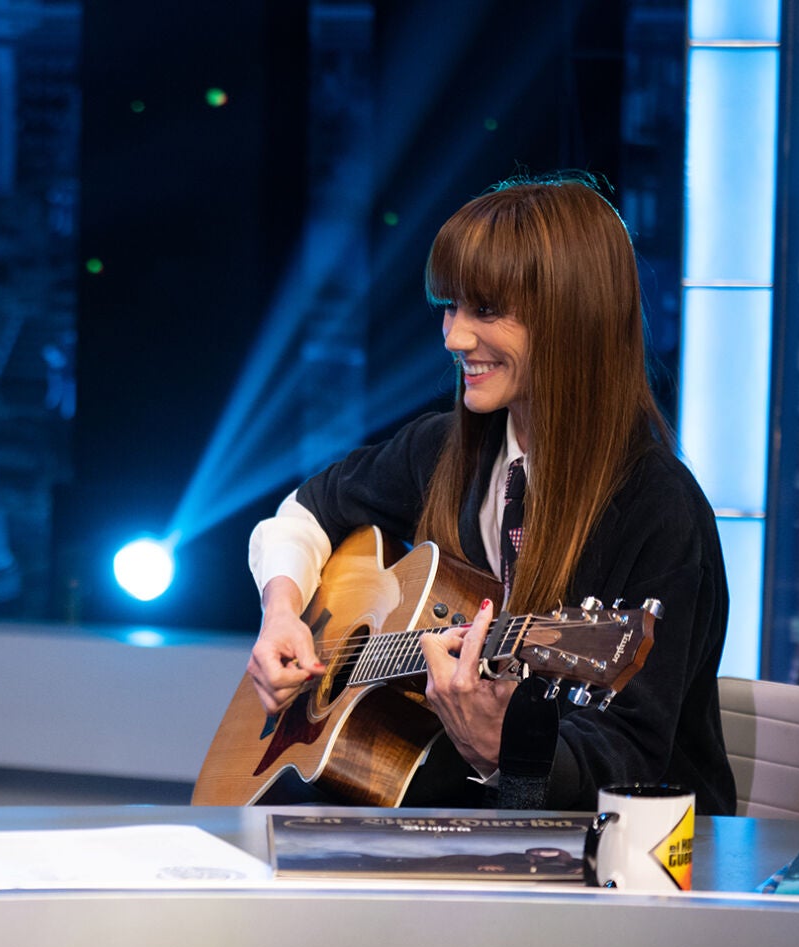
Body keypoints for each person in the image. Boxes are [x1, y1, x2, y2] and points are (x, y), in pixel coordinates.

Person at [245, 174, 737, 815]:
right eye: (450, 307)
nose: (452, 337)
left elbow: (630, 768)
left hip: (632, 862)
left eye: (484, 311)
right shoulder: (444, 448)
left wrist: (501, 750)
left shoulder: (657, 510)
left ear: (571, 318)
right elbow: (307, 511)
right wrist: (281, 611)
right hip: (455, 825)